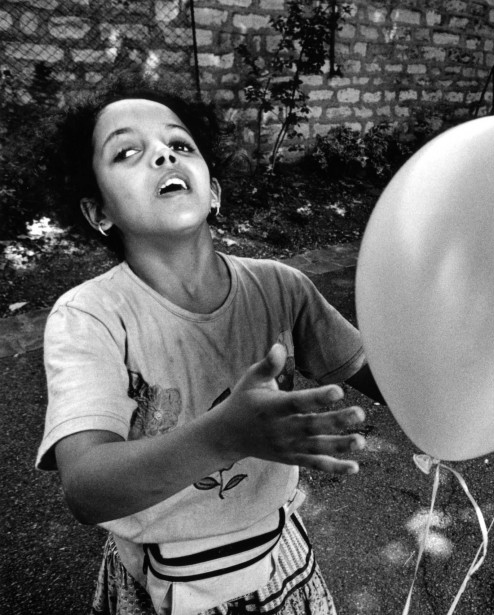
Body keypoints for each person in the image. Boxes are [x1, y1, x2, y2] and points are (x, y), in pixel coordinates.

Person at [35, 78, 384, 615]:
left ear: (214, 191)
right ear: (98, 212)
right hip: (159, 582)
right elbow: (86, 488)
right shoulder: (88, 317)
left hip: (279, 558)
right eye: (127, 152)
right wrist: (225, 435)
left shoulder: (282, 288)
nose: (163, 155)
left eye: (180, 144)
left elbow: (391, 381)